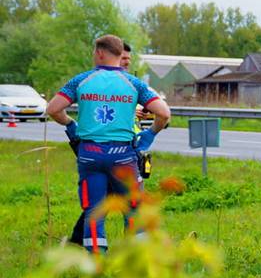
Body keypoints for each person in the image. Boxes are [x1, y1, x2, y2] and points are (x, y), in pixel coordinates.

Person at [46, 35, 170, 254]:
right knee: (134, 208)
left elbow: (53, 109)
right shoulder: (134, 83)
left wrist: (71, 125)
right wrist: (150, 134)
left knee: (94, 211)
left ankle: (96, 266)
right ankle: (134, 262)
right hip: (123, 155)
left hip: (89, 155)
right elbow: (164, 113)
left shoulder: (81, 80)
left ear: (100, 52)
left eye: (94, 52)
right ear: (120, 54)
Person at [68, 42, 152, 245]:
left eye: (129, 60)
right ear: (113, 55)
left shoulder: (130, 83)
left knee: (104, 201)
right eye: (123, 58)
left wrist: (137, 117)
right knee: (109, 201)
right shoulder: (101, 81)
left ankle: (82, 244)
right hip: (110, 150)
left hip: (127, 151)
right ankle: (79, 242)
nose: (126, 63)